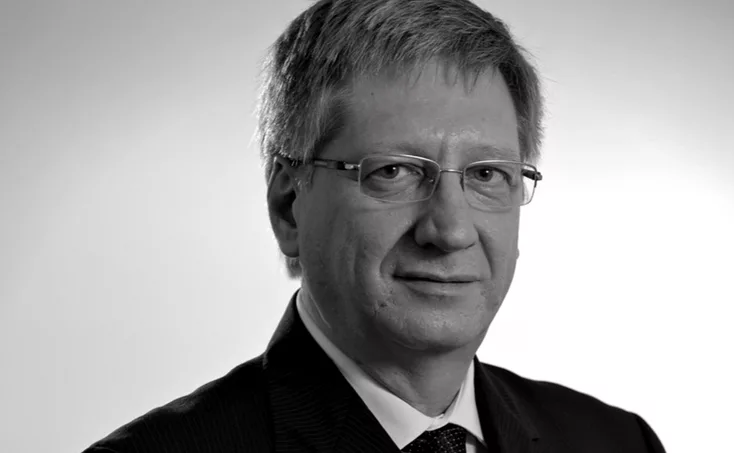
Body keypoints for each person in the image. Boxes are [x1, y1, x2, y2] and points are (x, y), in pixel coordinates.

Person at [83, 0, 666, 452]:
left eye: (487, 174)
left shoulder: (615, 442)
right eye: (394, 172)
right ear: (289, 206)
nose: (450, 230)